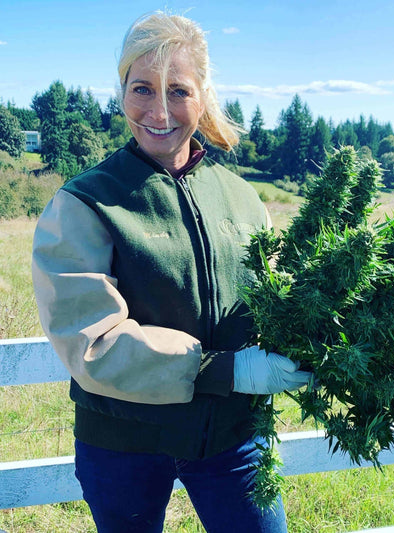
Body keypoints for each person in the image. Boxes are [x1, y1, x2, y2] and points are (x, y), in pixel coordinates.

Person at [32, 11, 312, 533]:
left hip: (233, 438)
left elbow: (275, 300)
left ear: (202, 97)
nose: (159, 110)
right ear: (121, 94)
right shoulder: (85, 204)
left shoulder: (242, 198)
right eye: (143, 88)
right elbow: (91, 343)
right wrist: (225, 371)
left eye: (178, 91)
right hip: (124, 445)